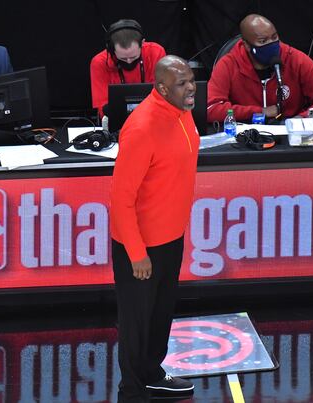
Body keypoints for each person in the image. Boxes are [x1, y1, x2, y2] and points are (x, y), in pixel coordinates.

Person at [109, 55, 199, 402]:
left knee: (160, 315)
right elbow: (121, 199)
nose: (190, 88)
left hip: (171, 237)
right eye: (182, 83)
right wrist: (136, 253)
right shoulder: (142, 127)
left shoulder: (184, 113)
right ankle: (131, 391)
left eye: (191, 80)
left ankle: (152, 373)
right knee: (136, 323)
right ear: (161, 88)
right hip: (141, 246)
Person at [207, 14, 313, 123]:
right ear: (247, 45)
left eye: (274, 37)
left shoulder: (295, 59)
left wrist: (304, 118)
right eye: (262, 41)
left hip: (290, 135)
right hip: (247, 137)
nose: (271, 44)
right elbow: (211, 108)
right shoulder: (228, 64)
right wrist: (259, 111)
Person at [90, 19, 166, 118]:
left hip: (154, 115)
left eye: (134, 57)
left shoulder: (156, 52)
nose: (129, 61)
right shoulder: (99, 62)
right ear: (111, 49)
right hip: (118, 118)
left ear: (142, 43)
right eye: (123, 58)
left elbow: (163, 95)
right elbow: (102, 109)